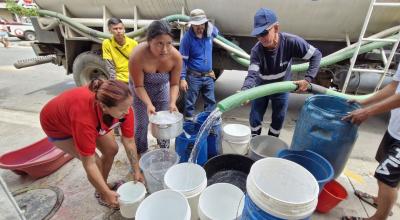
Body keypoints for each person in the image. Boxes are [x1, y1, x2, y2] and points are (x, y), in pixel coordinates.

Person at [40, 79, 144, 209]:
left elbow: (129, 141)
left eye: (129, 106)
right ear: (104, 107)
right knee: (95, 161)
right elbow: (89, 164)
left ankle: (103, 185)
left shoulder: (122, 106)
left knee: (111, 149)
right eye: (123, 110)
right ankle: (102, 193)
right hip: (57, 127)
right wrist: (106, 192)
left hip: (80, 116)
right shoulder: (85, 120)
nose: (128, 112)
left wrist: (136, 170)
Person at [241, 8, 322, 137]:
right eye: (258, 35)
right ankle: (254, 141)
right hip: (261, 86)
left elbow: (316, 55)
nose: (261, 38)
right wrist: (245, 90)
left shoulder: (291, 42)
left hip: (282, 86)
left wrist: (308, 79)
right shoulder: (256, 51)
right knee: (255, 116)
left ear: (276, 28)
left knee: (278, 118)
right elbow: (252, 74)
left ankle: (272, 142)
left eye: (265, 33)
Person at [342, 64, 400, 220]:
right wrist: (364, 101)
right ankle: (381, 201)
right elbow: (394, 87)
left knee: (385, 176)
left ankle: (378, 218)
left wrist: (367, 111)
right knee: (389, 172)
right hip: (395, 129)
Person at [128, 20, 182, 154]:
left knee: (164, 123)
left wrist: (173, 102)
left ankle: (164, 151)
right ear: (149, 41)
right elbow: (138, 85)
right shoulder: (137, 56)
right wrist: (148, 104)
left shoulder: (176, 57)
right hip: (140, 92)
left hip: (161, 90)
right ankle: (141, 151)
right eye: (159, 44)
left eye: (169, 43)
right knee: (141, 124)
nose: (164, 49)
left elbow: (174, 84)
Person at [179, 9, 218, 121]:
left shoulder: (209, 33)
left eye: (202, 24)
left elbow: (217, 32)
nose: (199, 28)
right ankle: (189, 128)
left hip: (209, 75)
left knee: (211, 102)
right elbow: (182, 60)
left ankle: (208, 126)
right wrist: (182, 78)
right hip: (193, 77)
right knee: (190, 104)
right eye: (196, 25)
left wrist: (209, 25)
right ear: (192, 25)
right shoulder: (187, 39)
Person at [102, 18, 138, 84]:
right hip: (118, 80)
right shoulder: (107, 43)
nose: (118, 31)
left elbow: (137, 64)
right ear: (110, 30)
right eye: (115, 29)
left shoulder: (133, 43)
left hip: (133, 79)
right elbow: (109, 65)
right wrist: (114, 82)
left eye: (120, 28)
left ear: (124, 29)